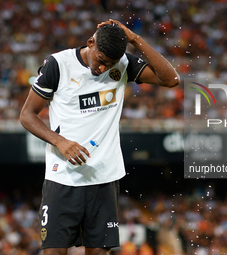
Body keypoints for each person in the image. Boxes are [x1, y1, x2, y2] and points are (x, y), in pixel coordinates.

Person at [19, 19, 180, 255]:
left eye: (110, 64)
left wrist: (134, 39)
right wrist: (59, 141)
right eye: (101, 60)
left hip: (103, 178)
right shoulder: (58, 65)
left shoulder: (123, 64)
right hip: (63, 178)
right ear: (90, 43)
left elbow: (171, 79)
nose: (103, 69)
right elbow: (26, 115)